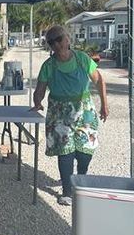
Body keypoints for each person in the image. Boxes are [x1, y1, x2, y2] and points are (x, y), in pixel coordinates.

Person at [32, 24, 109, 206]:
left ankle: (80, 181)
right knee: (65, 152)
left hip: (84, 110)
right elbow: (40, 89)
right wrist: (37, 102)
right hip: (59, 112)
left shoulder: (82, 59)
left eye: (59, 39)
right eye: (51, 42)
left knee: (85, 151)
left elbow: (99, 81)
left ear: (67, 39)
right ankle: (68, 191)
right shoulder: (48, 66)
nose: (56, 44)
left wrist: (105, 104)